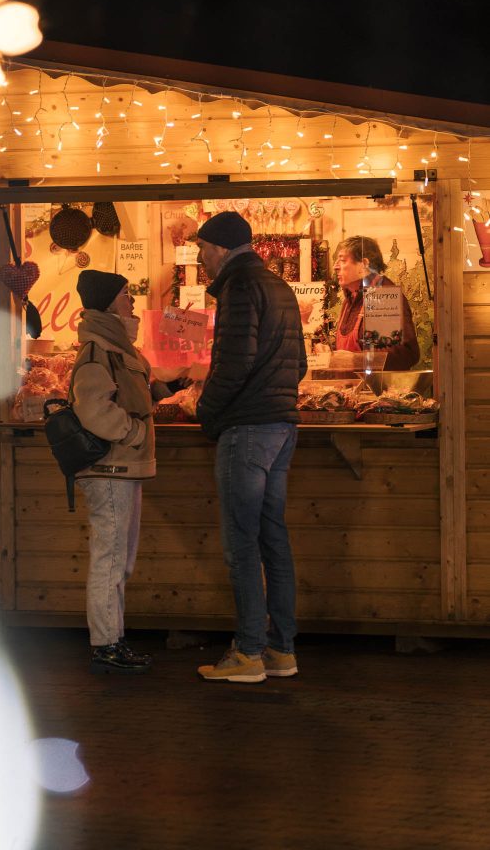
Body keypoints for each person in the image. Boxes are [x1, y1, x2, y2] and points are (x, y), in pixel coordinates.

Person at [194, 211, 307, 684]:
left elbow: (233, 365)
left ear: (220, 248)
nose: (199, 258)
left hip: (247, 429)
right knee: (272, 540)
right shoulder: (278, 286)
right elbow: (298, 363)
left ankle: (248, 653)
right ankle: (281, 651)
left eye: (202, 249)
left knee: (242, 545)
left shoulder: (240, 288)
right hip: (281, 425)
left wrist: (207, 412)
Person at [72, 269, 185, 675]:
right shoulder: (97, 351)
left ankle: (112, 639)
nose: (132, 300)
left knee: (120, 560)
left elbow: (136, 392)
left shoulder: (120, 349)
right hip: (110, 468)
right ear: (107, 303)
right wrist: (134, 431)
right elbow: (93, 409)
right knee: (110, 558)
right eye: (124, 294)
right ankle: (106, 644)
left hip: (124, 467)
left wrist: (172, 384)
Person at [333, 236, 419, 369]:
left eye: (343, 260)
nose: (335, 266)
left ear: (364, 264)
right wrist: (330, 353)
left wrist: (356, 360)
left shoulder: (382, 296)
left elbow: (404, 354)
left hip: (379, 389)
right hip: (352, 388)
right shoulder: (350, 300)